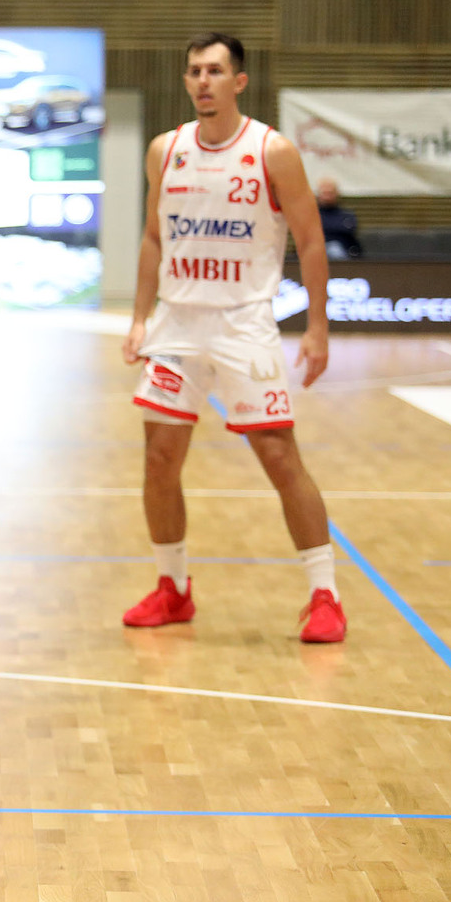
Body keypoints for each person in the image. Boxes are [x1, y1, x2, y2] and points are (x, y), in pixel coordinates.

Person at [122, 32, 345, 643]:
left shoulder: (272, 151)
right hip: (177, 325)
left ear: (238, 81)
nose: (203, 81)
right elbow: (152, 238)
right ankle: (173, 588)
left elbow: (310, 241)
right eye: (195, 70)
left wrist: (318, 327)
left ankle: (325, 595)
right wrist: (140, 318)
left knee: (278, 456)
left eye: (215, 71)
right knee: (159, 458)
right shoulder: (165, 149)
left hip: (244, 323)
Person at [316, 178, 361, 260]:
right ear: (319, 195)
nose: (327, 197)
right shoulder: (313, 216)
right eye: (324, 193)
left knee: (334, 249)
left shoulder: (346, 215)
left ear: (336, 194)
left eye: (330, 193)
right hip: (317, 249)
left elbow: (349, 230)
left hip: (342, 250)